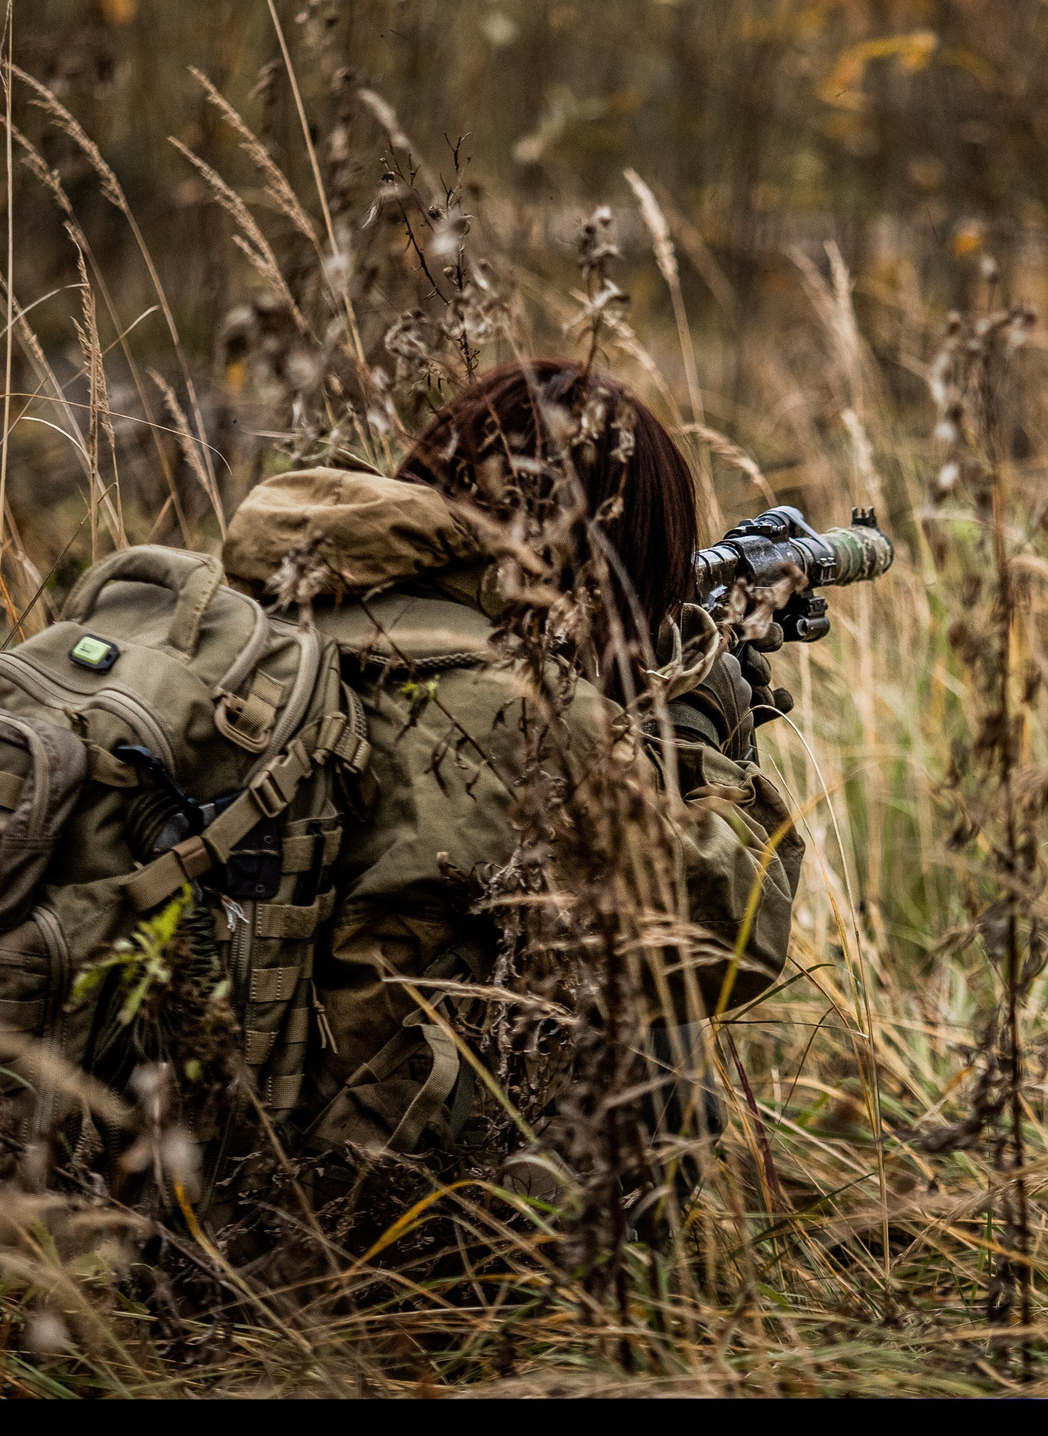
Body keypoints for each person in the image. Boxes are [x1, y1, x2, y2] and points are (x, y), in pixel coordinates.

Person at [214, 358, 802, 1235]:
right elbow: (729, 941)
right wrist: (696, 730)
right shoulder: (528, 709)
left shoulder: (248, 616)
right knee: (655, 1034)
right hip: (334, 1218)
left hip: (166, 1153)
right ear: (609, 560)